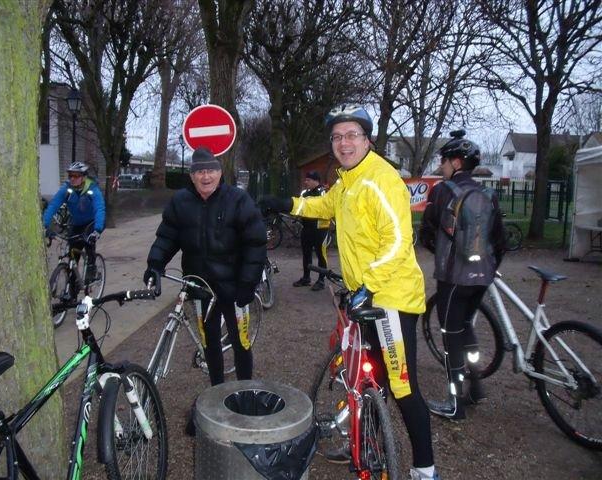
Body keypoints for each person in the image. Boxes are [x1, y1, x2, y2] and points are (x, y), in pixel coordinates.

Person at [260, 104, 439, 480]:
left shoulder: (381, 179)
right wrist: (285, 203)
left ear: (367, 140)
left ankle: (425, 469)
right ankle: (367, 440)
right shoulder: (346, 182)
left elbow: (398, 241)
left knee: (402, 386)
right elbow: (323, 205)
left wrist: (369, 285)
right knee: (369, 378)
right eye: (338, 136)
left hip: (391, 299)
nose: (344, 143)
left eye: (352, 135)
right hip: (365, 296)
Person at [143, 147, 267, 433]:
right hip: (200, 288)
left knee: (241, 343)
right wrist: (155, 264)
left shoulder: (238, 200)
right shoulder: (181, 202)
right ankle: (216, 399)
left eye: (211, 170)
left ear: (220, 172)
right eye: (199, 171)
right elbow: (167, 236)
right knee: (209, 345)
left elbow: (255, 242)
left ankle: (244, 397)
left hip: (234, 288)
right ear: (192, 175)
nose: (206, 176)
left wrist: (248, 283)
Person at [419, 130, 507, 421]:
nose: (441, 166)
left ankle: (455, 403)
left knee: (451, 336)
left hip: (453, 278)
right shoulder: (488, 194)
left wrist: (444, 255)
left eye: (444, 161)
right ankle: (476, 387)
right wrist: (486, 266)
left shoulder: (442, 191)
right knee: (466, 327)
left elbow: (426, 232)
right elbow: (501, 240)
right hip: (483, 277)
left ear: (456, 163)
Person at [43, 161, 105, 284]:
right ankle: (72, 287)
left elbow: (99, 208)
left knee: (89, 244)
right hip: (76, 223)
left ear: (84, 177)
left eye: (76, 176)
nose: (72, 178)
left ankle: (92, 271)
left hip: (91, 223)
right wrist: (44, 225)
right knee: (73, 254)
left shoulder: (93, 189)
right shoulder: (66, 189)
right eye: (70, 175)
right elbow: (53, 206)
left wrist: (97, 229)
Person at [293, 171, 330, 291]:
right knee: (306, 254)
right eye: (305, 179)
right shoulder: (305, 193)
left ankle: (321, 280)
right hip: (307, 228)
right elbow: (300, 206)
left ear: (316, 181)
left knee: (321, 255)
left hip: (321, 228)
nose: (306, 182)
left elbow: (326, 208)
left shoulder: (323, 192)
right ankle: (306, 278)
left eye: (308, 180)